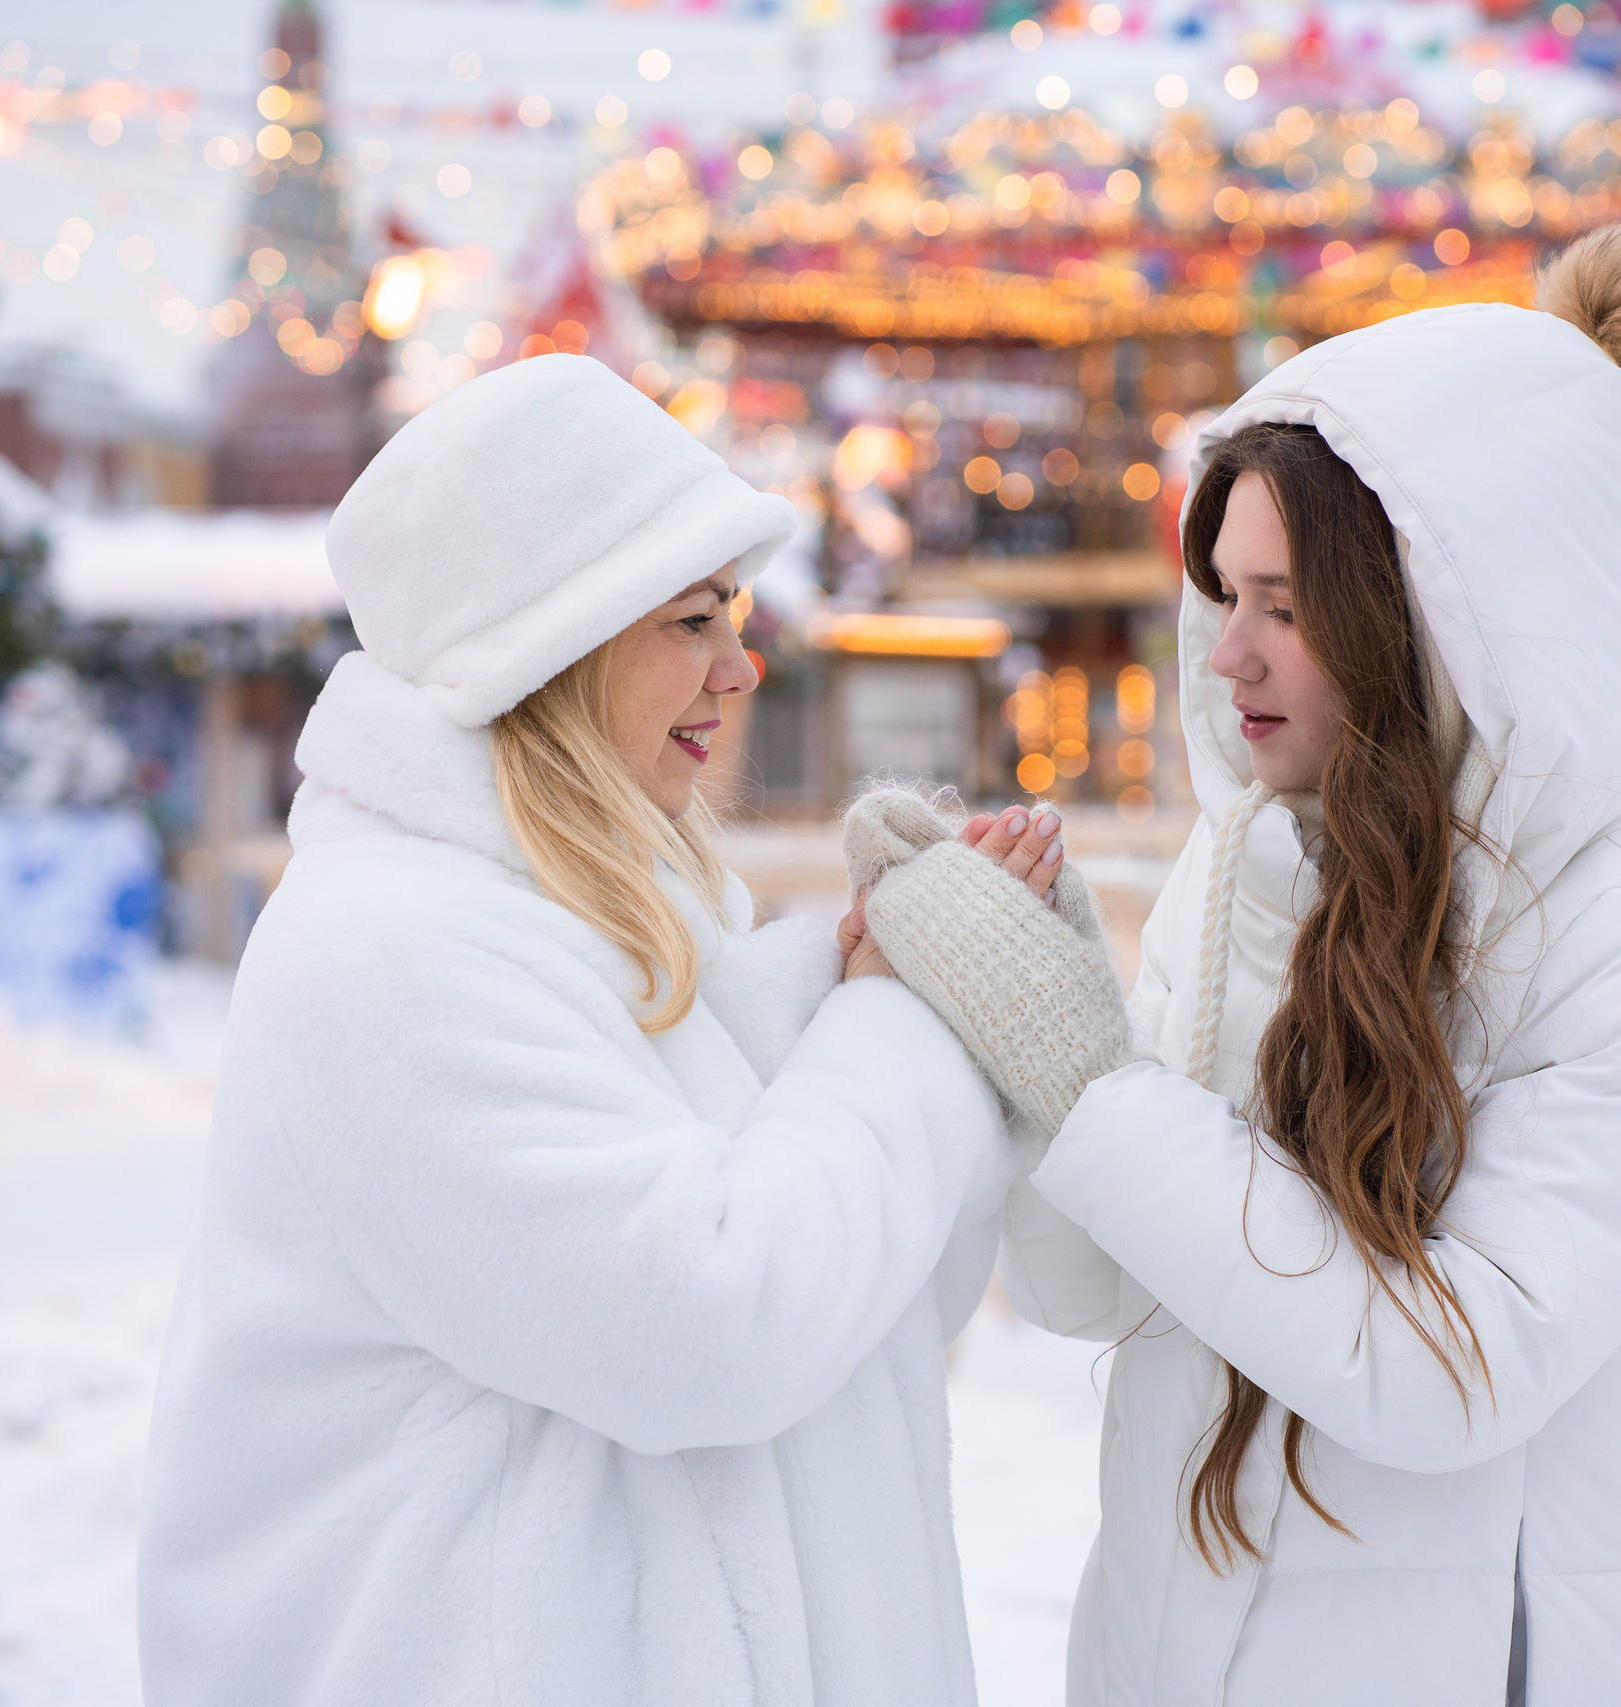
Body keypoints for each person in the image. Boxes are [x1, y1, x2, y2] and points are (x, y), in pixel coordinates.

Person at [137, 354, 1068, 1707]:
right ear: (553, 640)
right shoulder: (392, 956)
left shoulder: (622, 926)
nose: (741, 670)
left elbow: (867, 1308)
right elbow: (715, 1323)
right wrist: (900, 1026)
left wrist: (919, 1001)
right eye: (692, 622)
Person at [955, 221, 1621, 1704]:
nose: (1228, 656)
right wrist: (1045, 1033)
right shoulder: (1256, 864)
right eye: (1226, 596)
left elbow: (1442, 1371)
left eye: (1288, 608)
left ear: (1443, 621)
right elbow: (1094, 1287)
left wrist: (1096, 1094)